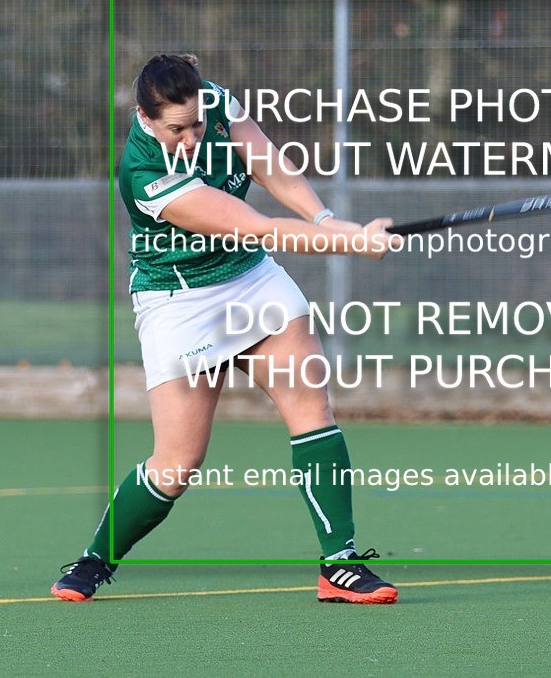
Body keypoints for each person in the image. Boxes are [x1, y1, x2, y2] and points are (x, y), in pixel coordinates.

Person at [51, 53, 401, 604]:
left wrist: (325, 218)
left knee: (312, 410)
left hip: (249, 280)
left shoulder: (212, 100)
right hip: (179, 299)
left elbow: (266, 165)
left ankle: (340, 564)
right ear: (144, 116)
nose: (192, 137)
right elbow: (256, 225)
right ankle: (97, 558)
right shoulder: (144, 173)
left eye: (196, 124)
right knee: (177, 464)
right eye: (177, 129)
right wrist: (353, 239)